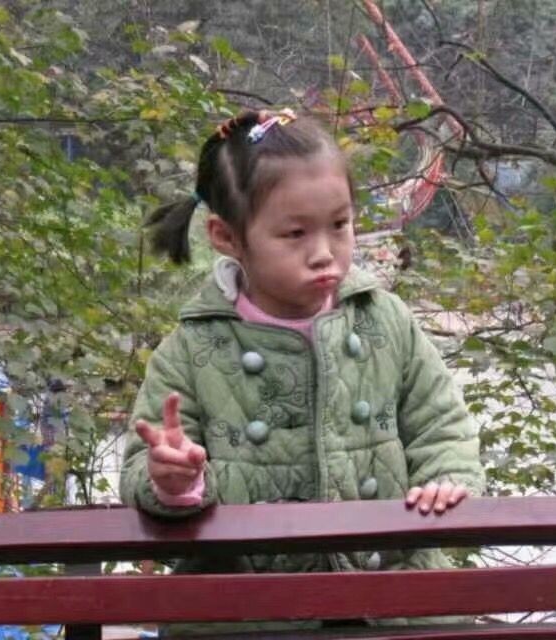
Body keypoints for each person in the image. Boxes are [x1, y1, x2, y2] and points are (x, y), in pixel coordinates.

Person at [120, 109, 486, 635]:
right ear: (226, 236)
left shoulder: (385, 321)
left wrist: (446, 479)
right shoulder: (191, 349)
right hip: (249, 615)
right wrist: (175, 480)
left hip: (394, 599)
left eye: (340, 225)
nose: (324, 254)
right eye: (295, 233)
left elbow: (441, 422)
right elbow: (142, 471)